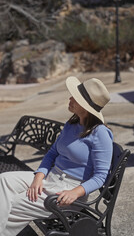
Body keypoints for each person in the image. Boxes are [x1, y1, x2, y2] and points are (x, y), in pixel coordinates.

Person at [0, 76, 113, 236]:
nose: (70, 98)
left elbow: (101, 176)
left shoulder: (100, 134)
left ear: (86, 107)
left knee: (14, 204)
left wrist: (75, 192)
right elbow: (52, 153)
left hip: (68, 193)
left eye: (75, 97)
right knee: (4, 180)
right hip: (50, 178)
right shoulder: (72, 124)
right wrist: (39, 176)